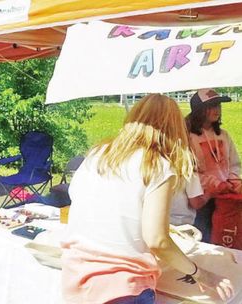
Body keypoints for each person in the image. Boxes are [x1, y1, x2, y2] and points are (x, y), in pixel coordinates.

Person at [61, 94, 233, 303]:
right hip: (123, 285)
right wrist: (201, 274)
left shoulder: (98, 153)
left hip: (75, 274)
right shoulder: (157, 164)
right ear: (175, 128)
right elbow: (157, 240)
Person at [186, 88, 241, 242]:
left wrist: (233, 180)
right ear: (199, 110)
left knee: (225, 234)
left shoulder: (223, 135)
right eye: (212, 106)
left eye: (218, 105)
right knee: (203, 235)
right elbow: (190, 171)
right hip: (202, 199)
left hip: (225, 197)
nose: (217, 109)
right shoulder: (188, 137)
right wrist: (214, 184)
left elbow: (235, 163)